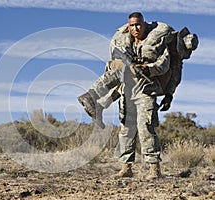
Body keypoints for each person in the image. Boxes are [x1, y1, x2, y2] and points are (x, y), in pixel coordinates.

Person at [78, 12, 198, 180]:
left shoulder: (159, 40)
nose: (135, 28)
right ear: (129, 26)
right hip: (127, 88)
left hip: (146, 89)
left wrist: (149, 71)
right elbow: (113, 63)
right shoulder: (122, 40)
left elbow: (164, 66)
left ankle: (154, 169)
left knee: (145, 127)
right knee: (126, 129)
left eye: (138, 25)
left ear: (144, 24)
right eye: (132, 25)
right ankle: (126, 167)